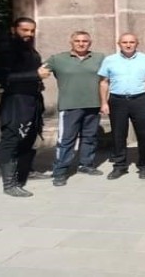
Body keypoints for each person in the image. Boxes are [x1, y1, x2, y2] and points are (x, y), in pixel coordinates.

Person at [0, 17, 50, 197]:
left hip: (32, 99)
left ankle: (26, 170)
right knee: (11, 139)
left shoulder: (28, 48)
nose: (29, 34)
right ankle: (9, 184)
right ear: (13, 29)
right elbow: (5, 78)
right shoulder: (6, 50)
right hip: (15, 101)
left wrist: (38, 80)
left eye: (32, 30)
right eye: (25, 30)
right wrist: (36, 74)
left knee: (29, 136)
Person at [43, 31, 106, 187]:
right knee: (66, 140)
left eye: (85, 41)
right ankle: (60, 172)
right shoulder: (58, 59)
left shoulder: (100, 58)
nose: (81, 43)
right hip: (69, 106)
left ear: (90, 43)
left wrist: (105, 102)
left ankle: (86, 164)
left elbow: (106, 79)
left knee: (90, 137)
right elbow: (40, 71)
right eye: (77, 41)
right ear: (71, 42)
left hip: (93, 104)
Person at [98, 33, 145, 180]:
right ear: (119, 44)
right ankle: (120, 166)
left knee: (144, 134)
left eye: (131, 42)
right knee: (118, 135)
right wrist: (104, 102)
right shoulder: (109, 60)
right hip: (117, 100)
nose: (128, 45)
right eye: (125, 42)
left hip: (141, 99)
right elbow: (104, 82)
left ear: (137, 43)